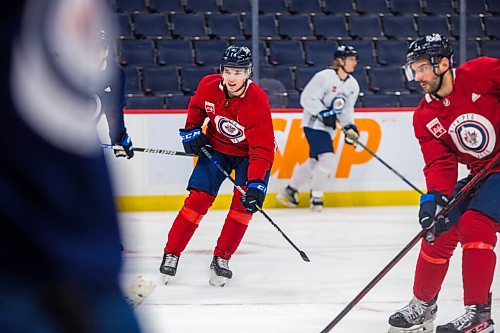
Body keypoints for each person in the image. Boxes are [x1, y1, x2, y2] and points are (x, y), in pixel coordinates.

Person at [0, 1, 141, 332]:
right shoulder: (44, 32)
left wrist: (121, 138)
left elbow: (108, 117)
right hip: (40, 274)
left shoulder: (108, 74)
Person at [388, 33, 499, 333]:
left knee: (477, 223)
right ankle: (423, 305)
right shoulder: (425, 116)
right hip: (484, 173)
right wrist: (435, 197)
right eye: (414, 69)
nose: (418, 76)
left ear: (444, 64)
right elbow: (440, 163)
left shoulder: (481, 73)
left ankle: (479, 316)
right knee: (441, 226)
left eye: (423, 68)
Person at [159, 45, 275, 287]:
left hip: (249, 156)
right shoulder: (208, 85)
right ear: (222, 71)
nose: (232, 78)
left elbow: (261, 149)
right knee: (197, 201)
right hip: (217, 149)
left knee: (243, 208)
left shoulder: (257, 100)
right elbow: (197, 107)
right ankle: (172, 252)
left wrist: (255, 184)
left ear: (248, 73)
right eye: (229, 71)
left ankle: (222, 258)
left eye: (238, 72)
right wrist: (191, 131)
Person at [276, 45, 360, 212]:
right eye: (350, 59)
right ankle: (316, 196)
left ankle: (290, 190)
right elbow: (307, 99)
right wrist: (324, 112)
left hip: (328, 129)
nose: (354, 62)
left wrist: (350, 126)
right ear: (340, 61)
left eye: (354, 59)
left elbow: (346, 111)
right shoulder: (324, 77)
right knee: (327, 158)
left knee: (315, 161)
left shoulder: (353, 85)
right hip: (313, 124)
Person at [93, 29, 134, 159]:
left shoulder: (114, 74)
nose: (99, 52)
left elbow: (114, 109)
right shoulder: (73, 67)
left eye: (103, 47)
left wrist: (120, 138)